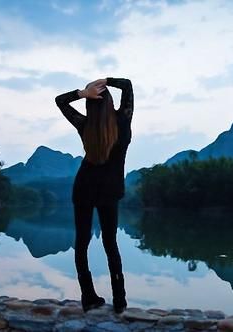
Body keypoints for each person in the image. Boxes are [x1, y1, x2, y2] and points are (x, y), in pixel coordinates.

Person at [54, 77, 133, 314]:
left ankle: (88, 296)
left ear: (90, 104)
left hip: (84, 187)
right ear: (110, 102)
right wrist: (107, 81)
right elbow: (128, 85)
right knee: (111, 243)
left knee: (82, 242)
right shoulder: (123, 120)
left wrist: (83, 93)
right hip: (109, 191)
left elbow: (60, 101)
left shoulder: (84, 124)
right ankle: (119, 300)